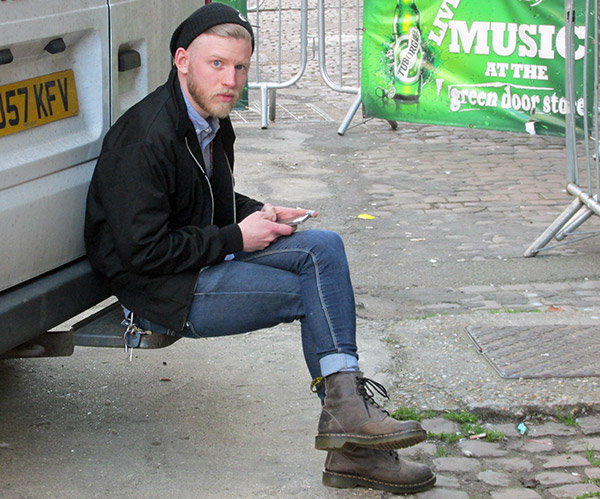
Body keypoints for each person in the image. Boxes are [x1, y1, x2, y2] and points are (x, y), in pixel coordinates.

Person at [84, 3, 435, 494]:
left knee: (324, 247)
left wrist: (260, 211)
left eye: (240, 67)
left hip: (196, 260)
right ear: (182, 60)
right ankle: (351, 438)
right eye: (217, 64)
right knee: (315, 294)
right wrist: (235, 237)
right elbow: (142, 252)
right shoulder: (146, 138)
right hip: (160, 291)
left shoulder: (210, 117)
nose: (230, 79)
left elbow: (208, 198)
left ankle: (347, 424)